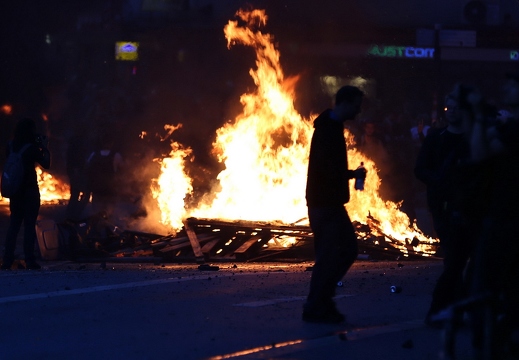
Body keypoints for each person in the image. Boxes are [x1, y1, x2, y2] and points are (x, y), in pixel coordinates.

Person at [414, 84, 480, 327]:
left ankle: (459, 310)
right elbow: (420, 169)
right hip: (444, 208)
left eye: (456, 107)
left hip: (472, 208)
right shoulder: (436, 138)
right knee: (454, 262)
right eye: (448, 107)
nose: (451, 111)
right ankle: (440, 311)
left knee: (467, 262)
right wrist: (440, 182)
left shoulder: (475, 139)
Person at [303, 85, 366, 324]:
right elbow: (326, 169)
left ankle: (321, 302)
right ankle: (317, 304)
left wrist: (349, 174)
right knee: (336, 253)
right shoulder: (327, 128)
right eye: (356, 105)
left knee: (340, 252)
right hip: (325, 204)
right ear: (346, 103)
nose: (358, 111)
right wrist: (349, 175)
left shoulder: (331, 126)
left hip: (328, 202)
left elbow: (331, 168)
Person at [1, 117, 51, 270]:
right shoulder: (31, 148)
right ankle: (30, 260)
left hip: (15, 191)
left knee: (14, 225)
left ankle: (7, 260)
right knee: (29, 226)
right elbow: (46, 164)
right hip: (29, 190)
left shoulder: (10, 146)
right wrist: (44, 147)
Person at [85, 133, 124, 219]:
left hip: (97, 189)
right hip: (110, 190)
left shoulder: (94, 155)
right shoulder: (116, 155)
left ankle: (96, 230)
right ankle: (107, 230)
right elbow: (122, 169)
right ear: (111, 143)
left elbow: (87, 167)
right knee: (109, 215)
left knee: (96, 215)